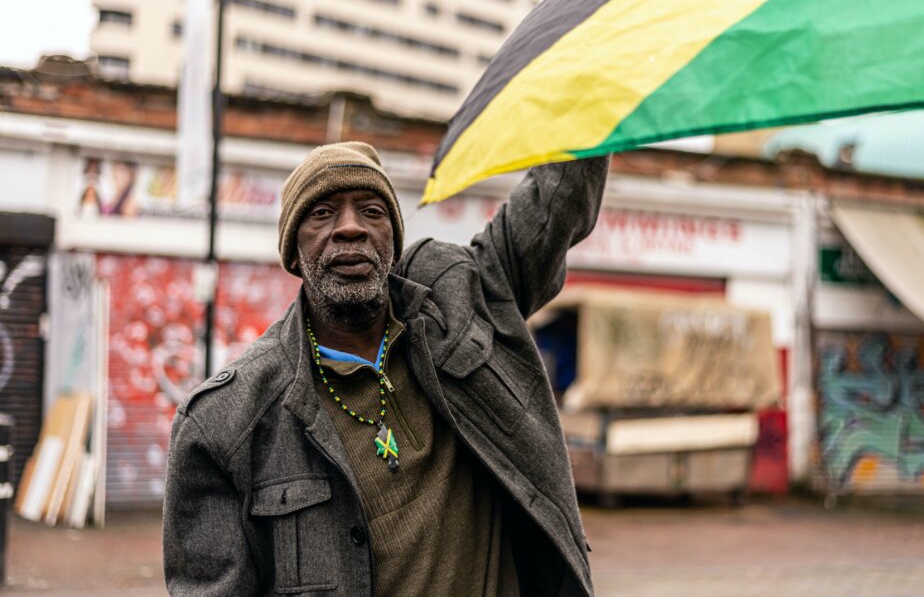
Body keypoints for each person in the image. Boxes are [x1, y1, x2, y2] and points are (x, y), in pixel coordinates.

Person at [163, 141, 609, 596]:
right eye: (321, 213)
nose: (350, 228)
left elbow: (556, 204)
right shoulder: (225, 424)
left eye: (372, 211)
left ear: (393, 244)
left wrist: (584, 88)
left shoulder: (461, 305)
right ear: (292, 254)